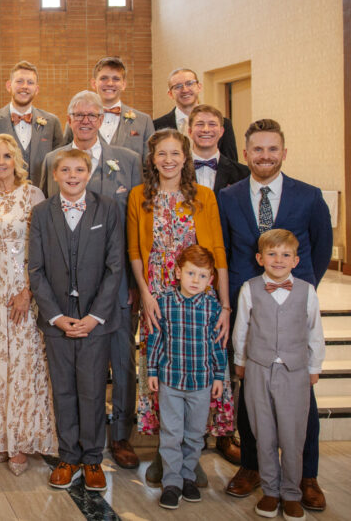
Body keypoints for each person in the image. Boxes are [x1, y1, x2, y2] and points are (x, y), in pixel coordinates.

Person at [218, 120, 333, 511]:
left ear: (284, 153)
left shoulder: (309, 196)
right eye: (257, 149)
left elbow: (319, 251)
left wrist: (300, 289)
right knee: (251, 390)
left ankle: (306, 475)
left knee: (302, 395)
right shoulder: (229, 196)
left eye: (272, 149)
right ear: (245, 153)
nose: (264, 156)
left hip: (292, 304)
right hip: (247, 302)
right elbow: (225, 249)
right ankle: (252, 466)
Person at [40, 90, 142, 469]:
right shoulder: (53, 160)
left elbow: (133, 219)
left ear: (103, 119)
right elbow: (46, 217)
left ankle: (120, 438)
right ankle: (73, 446)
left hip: (114, 286)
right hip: (66, 289)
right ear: (68, 118)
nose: (85, 120)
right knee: (73, 378)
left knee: (120, 362)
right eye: (78, 114)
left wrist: (132, 280)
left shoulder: (127, 160)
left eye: (92, 114)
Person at [127, 129, 233, 487]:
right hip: (158, 295)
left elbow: (217, 251)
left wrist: (225, 305)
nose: (168, 160)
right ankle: (163, 451)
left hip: (200, 295)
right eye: (161, 154)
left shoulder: (203, 196)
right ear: (152, 159)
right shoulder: (139, 196)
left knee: (197, 368)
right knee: (161, 370)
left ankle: (193, 454)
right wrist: (145, 295)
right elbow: (135, 253)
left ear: (186, 158)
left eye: (175, 154)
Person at [28, 148, 122, 492]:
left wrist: (95, 316)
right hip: (58, 320)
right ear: (55, 175)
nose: (72, 175)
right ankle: (68, 456)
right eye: (65, 170)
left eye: (79, 169)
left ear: (89, 172)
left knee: (94, 390)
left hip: (95, 320)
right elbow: (35, 270)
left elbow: (115, 267)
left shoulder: (107, 208)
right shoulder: (41, 213)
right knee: (64, 389)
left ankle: (93, 459)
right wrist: (54, 316)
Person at [0, 134, 56, 476]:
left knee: (22, 362)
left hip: (20, 290)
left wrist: (28, 292)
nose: (0, 162)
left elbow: (41, 247)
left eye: (7, 156)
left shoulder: (33, 195)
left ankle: (20, 441)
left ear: (16, 160)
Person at [233, 229, 325, 521]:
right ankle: (271, 491)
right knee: (264, 434)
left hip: (295, 372)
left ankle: (292, 493)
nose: (278, 260)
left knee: (293, 435)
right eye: (272, 254)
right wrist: (240, 360)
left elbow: (315, 333)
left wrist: (314, 368)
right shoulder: (249, 289)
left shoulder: (306, 291)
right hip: (258, 368)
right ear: (260, 258)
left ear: (296, 260)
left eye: (285, 255)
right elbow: (242, 329)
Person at [147, 245, 228, 510]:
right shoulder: (165, 302)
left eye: (203, 276)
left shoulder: (212, 307)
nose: (196, 281)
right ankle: (171, 483)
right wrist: (152, 371)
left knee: (194, 434)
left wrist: (218, 376)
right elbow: (155, 340)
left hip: (201, 383)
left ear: (211, 279)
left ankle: (187, 476)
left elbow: (218, 344)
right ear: (178, 272)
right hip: (171, 380)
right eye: (191, 274)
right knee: (172, 433)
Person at [0, 61, 64, 186]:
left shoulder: (52, 122)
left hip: (43, 200)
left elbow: (60, 164)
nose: (25, 86)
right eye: (19, 81)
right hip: (3, 200)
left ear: (36, 89)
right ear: (9, 86)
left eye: (30, 82)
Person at [63, 56, 154, 161]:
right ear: (94, 83)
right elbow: (66, 157)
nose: (110, 83)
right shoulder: (77, 119)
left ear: (124, 84)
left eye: (116, 79)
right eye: (104, 78)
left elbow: (149, 165)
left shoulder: (144, 121)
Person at [153, 68, 238, 161]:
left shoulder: (224, 124)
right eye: (178, 86)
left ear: (199, 87)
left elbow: (231, 165)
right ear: (170, 94)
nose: (185, 90)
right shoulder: (156, 126)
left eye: (189, 83)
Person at [188, 104, 249, 194]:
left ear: (221, 132)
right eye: (200, 124)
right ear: (190, 132)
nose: (206, 129)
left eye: (212, 124)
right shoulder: (177, 171)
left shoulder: (243, 173)